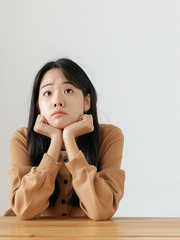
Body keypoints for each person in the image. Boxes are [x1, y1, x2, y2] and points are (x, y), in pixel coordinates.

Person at [8, 58, 125, 220]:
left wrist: (69, 139)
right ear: (38, 106)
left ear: (86, 101)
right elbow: (24, 210)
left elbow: (101, 210)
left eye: (68, 91)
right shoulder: (22, 139)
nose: (57, 101)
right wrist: (55, 142)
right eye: (47, 93)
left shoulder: (109, 137)